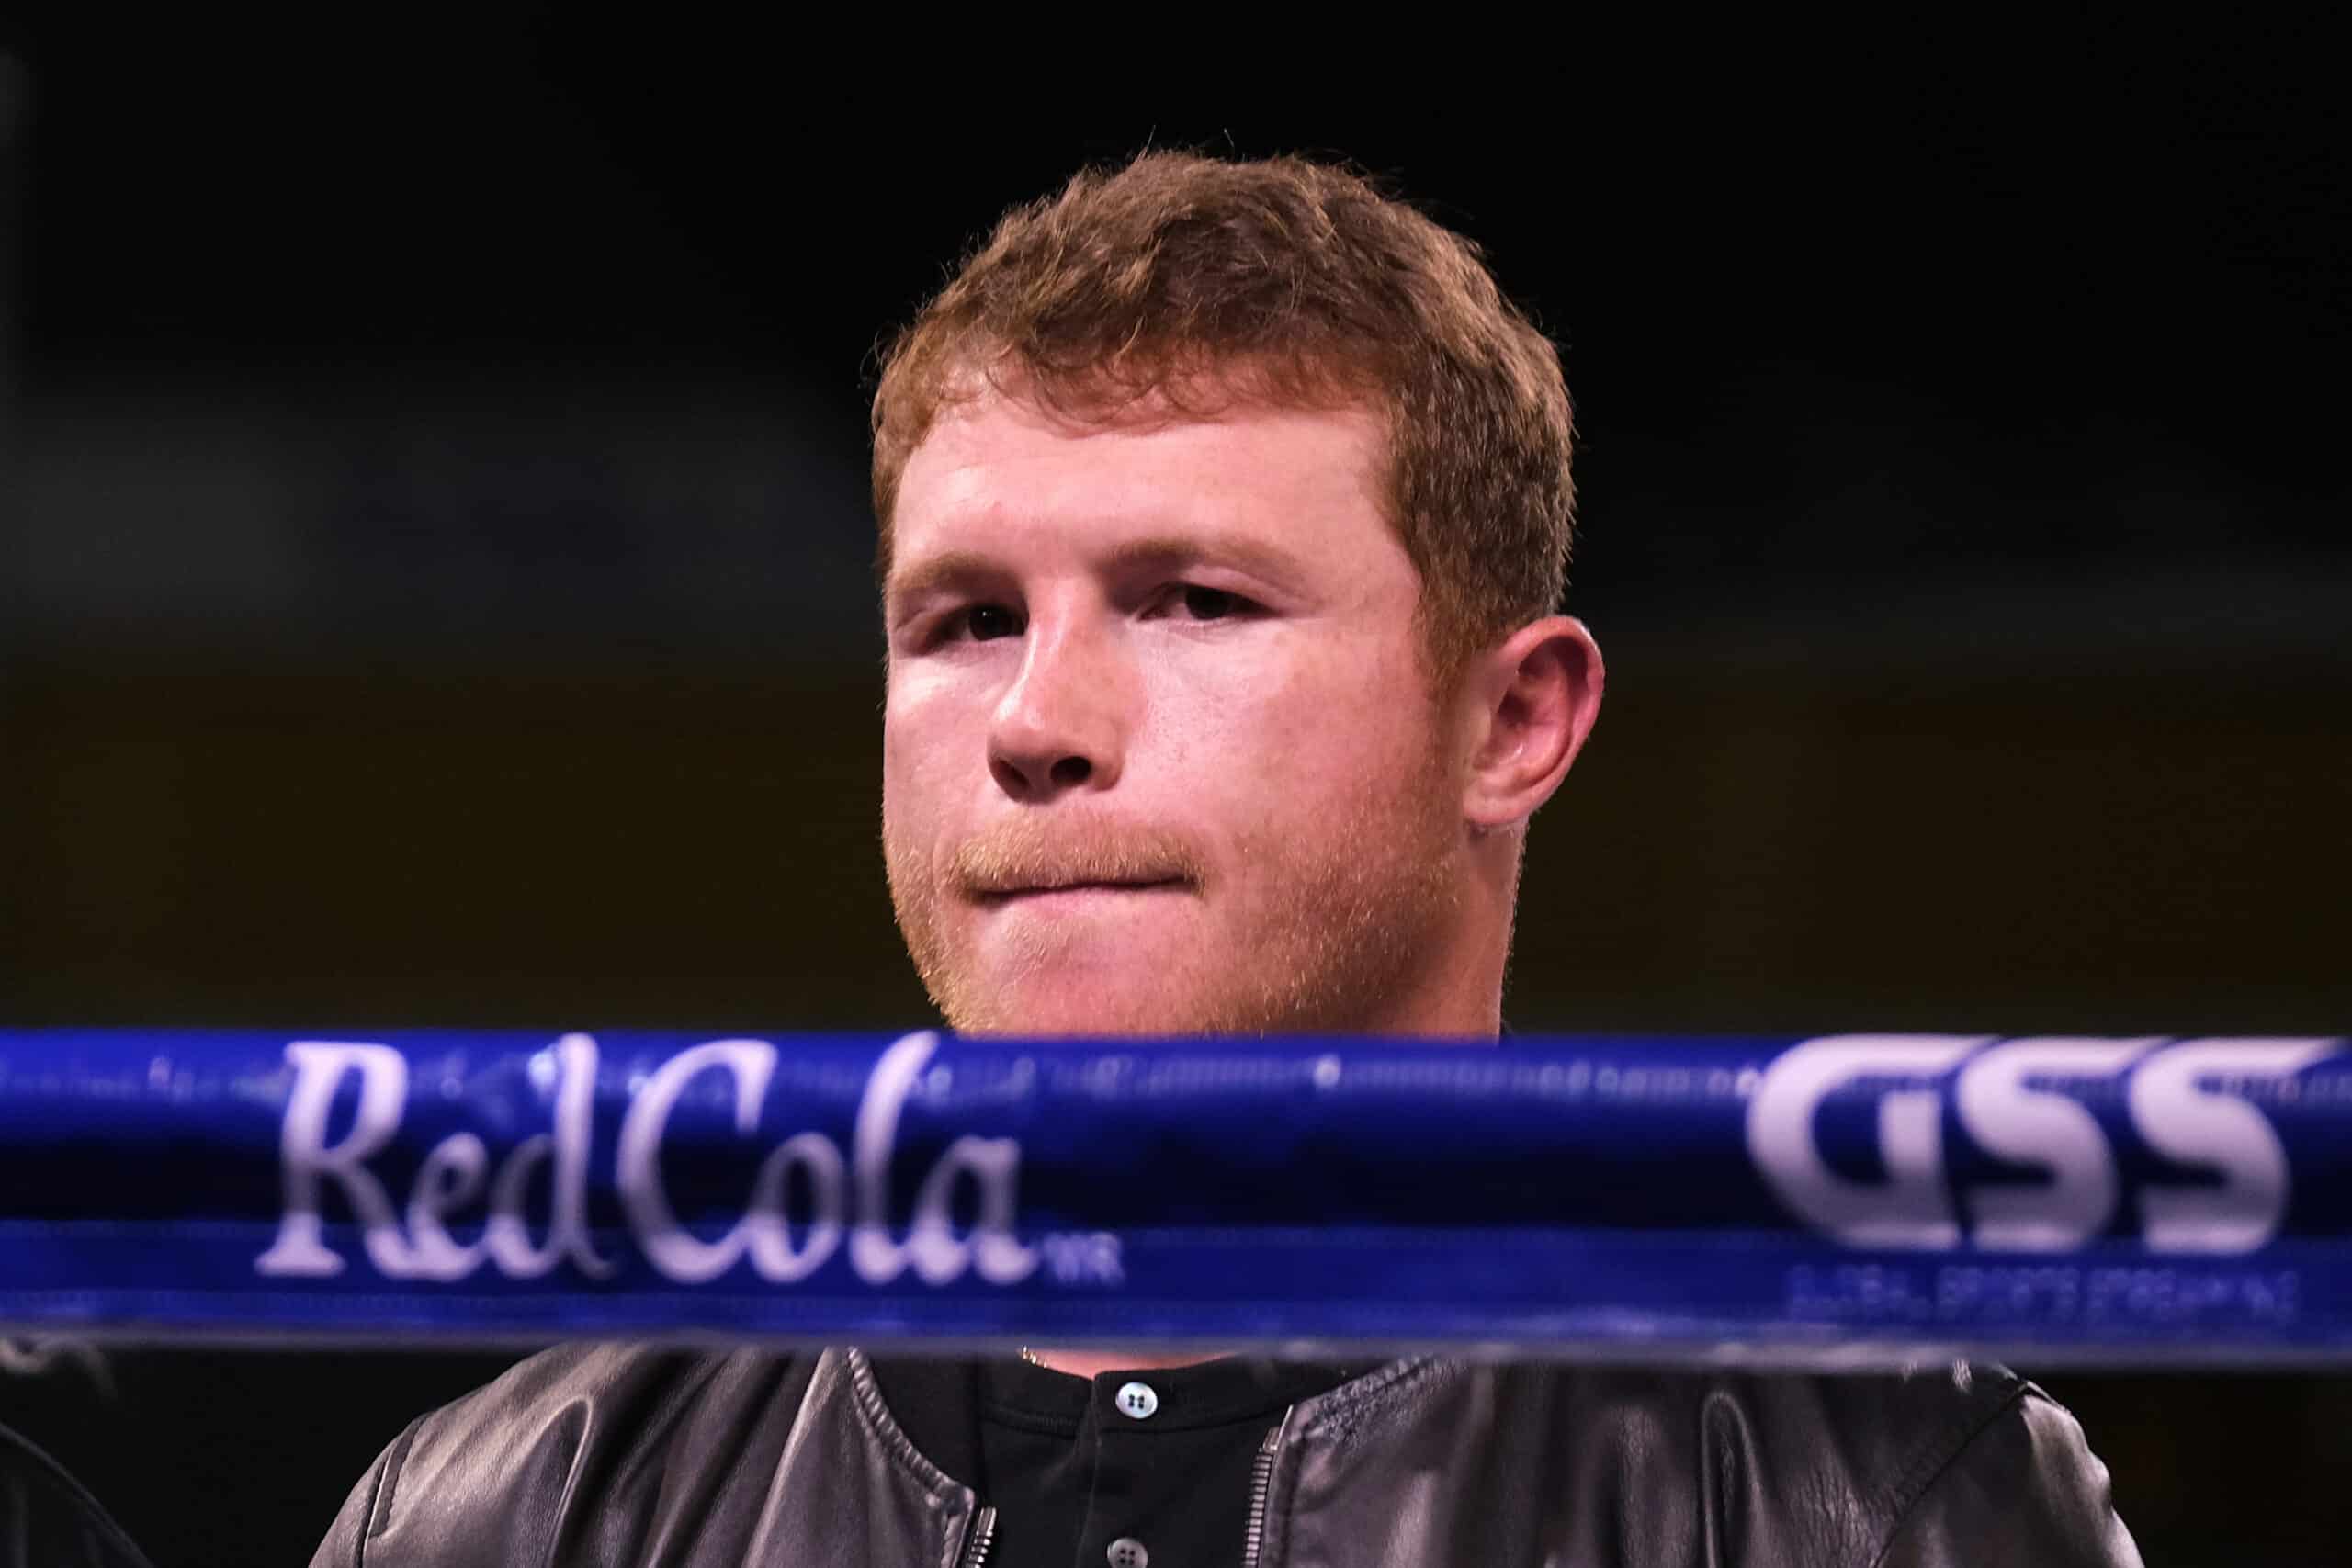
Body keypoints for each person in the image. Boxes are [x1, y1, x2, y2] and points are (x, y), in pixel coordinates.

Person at [312, 150, 2143, 1567]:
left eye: (1190, 598)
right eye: (957, 619)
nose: (1036, 714)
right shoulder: (518, 1508)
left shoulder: (1864, 1499)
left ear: (1510, 722)